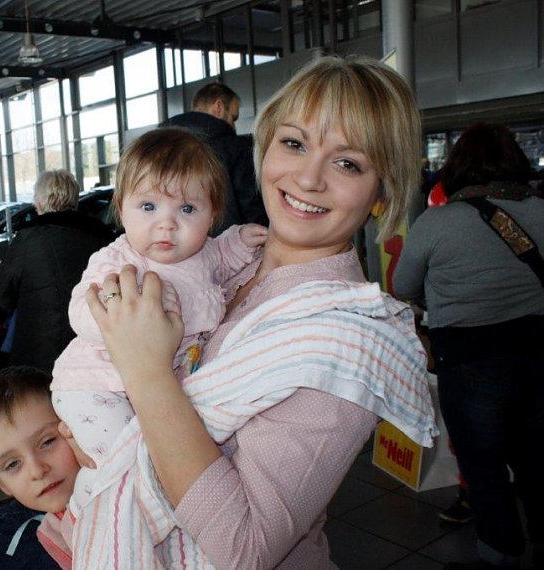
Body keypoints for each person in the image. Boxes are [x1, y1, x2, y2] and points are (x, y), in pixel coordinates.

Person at [40, 55, 437, 568]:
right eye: (294, 143)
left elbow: (244, 547)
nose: (308, 177)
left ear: (382, 194)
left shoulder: (343, 341)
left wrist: (145, 373)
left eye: (348, 163)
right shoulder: (225, 257)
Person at [50, 127, 267, 514]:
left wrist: (243, 239)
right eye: (148, 207)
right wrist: (127, 306)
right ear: (122, 207)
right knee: (118, 468)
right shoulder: (118, 261)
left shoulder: (204, 255)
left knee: (157, 466)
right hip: (98, 387)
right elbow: (81, 311)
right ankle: (86, 523)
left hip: (155, 393)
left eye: (187, 209)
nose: (167, 224)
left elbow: (225, 254)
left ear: (213, 215)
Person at [394, 123, 544, 569]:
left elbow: (403, 285)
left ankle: (501, 553)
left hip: (469, 359)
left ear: (456, 167)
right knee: (537, 459)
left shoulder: (437, 222)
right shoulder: (541, 210)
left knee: (483, 466)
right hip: (538, 351)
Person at [0, 170, 115, 372]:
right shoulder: (101, 236)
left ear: (40, 201)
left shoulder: (27, 239)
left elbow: (3, 292)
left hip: (39, 343)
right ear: (74, 199)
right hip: (93, 341)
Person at [0, 366, 78, 569]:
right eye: (12, 464)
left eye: (48, 441)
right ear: (1, 483)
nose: (37, 470)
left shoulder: (130, 496)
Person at [161, 82, 268, 232]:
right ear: (218, 107)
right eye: (233, 117)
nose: (234, 125)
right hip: (232, 249)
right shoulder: (237, 148)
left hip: (174, 246)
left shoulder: (158, 147)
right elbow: (251, 206)